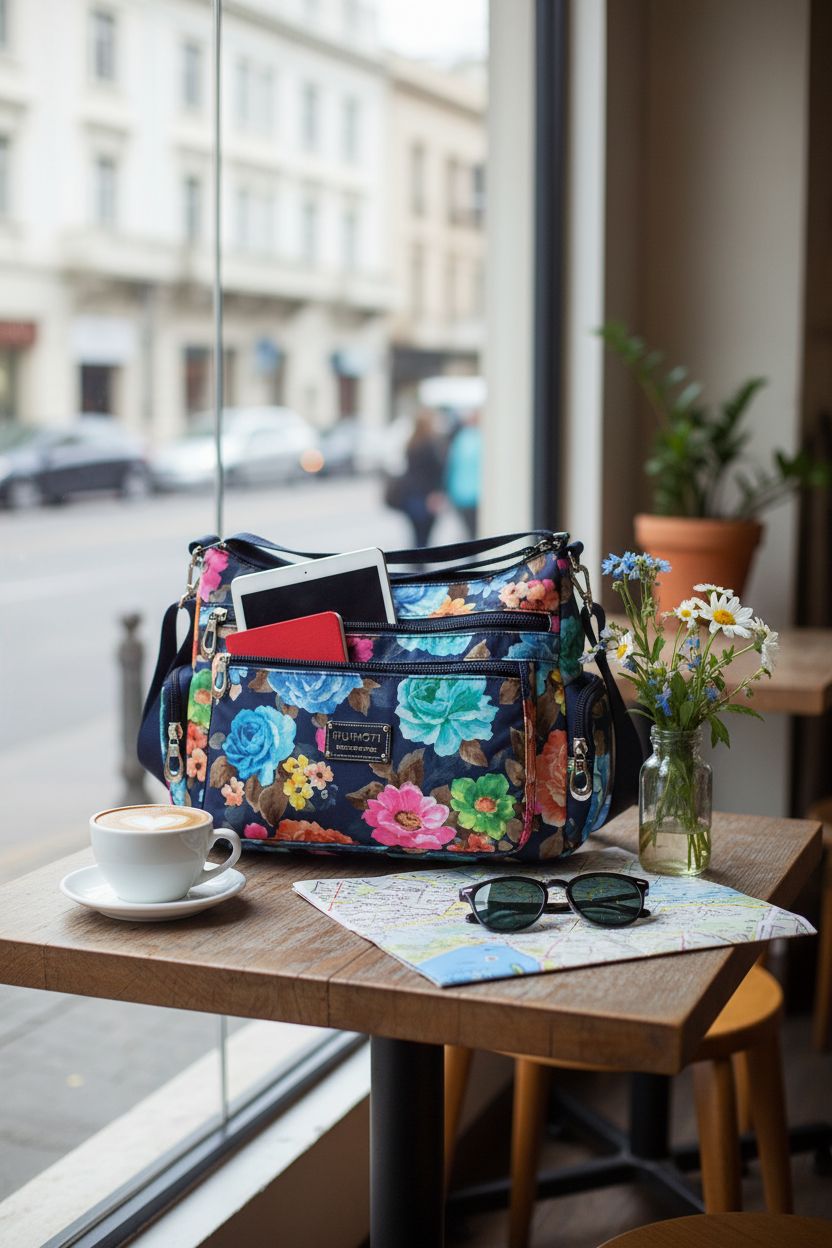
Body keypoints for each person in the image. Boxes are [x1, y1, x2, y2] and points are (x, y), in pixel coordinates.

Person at [394, 409, 446, 548]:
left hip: (411, 496)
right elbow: (436, 472)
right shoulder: (430, 445)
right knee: (425, 537)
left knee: (416, 536)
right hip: (426, 497)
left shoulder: (411, 444)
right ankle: (420, 563)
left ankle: (416, 563)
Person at [444, 408, 481, 538]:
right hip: (476, 494)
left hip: (460, 494)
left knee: (469, 531)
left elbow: (451, 466)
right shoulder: (481, 438)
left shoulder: (460, 439)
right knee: (476, 531)